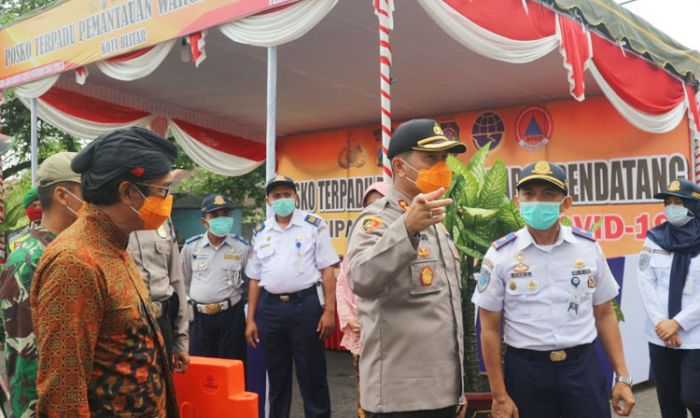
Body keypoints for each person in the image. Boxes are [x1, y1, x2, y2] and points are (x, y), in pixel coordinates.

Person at [30, 127, 179, 417]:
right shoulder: (75, 263)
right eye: (162, 191)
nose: (167, 200)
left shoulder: (115, 247)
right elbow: (64, 396)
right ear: (127, 192)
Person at [473, 160, 636, 418]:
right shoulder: (501, 254)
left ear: (565, 203)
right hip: (527, 373)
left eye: (548, 194)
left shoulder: (588, 248)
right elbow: (489, 328)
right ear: (517, 201)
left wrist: (623, 377)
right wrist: (499, 395)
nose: (537, 201)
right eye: (529, 194)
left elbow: (605, 314)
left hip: (582, 368)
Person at [347, 118, 467, 418]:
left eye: (444, 158)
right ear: (399, 167)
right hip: (401, 400)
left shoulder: (436, 221)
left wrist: (459, 390)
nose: (441, 166)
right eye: (430, 158)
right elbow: (360, 278)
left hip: (442, 393)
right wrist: (406, 229)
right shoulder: (379, 220)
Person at [245, 175, 338, 418]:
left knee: (312, 375)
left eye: (287, 194)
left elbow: (328, 269)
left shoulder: (313, 224)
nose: (282, 199)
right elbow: (254, 278)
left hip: (305, 305)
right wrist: (251, 320)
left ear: (296, 197)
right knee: (277, 378)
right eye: (276, 196)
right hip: (270, 309)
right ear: (268, 200)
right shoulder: (261, 231)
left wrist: (329, 311)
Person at [0, 152, 83, 418]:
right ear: (62, 196)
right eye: (87, 191)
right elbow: (27, 354)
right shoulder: (31, 259)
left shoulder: (67, 250)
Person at [638, 178, 700, 417]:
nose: (671, 208)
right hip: (660, 335)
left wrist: (678, 322)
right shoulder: (655, 237)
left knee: (693, 397)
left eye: (679, 202)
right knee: (669, 402)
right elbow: (646, 282)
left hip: (695, 337)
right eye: (668, 202)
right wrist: (662, 323)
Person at [337, 181, 388, 418]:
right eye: (369, 205)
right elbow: (342, 285)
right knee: (366, 389)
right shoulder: (356, 246)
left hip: (394, 335)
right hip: (361, 331)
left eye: (380, 203)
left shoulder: (405, 240)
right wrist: (349, 318)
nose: (374, 209)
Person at [181, 194, 249, 362]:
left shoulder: (243, 248)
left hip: (232, 317)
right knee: (201, 367)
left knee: (232, 367)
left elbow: (250, 284)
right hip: (199, 318)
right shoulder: (191, 247)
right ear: (204, 221)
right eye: (215, 215)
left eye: (226, 214)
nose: (222, 219)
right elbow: (182, 281)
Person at [128, 217, 190, 372]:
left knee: (165, 390)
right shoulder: (112, 212)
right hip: (128, 324)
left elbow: (176, 279)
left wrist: (181, 341)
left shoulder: (162, 217)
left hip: (163, 321)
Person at [9, 187, 42, 252]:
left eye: (42, 205)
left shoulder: (59, 232)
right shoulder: (15, 239)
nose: (38, 209)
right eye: (34, 206)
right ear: (26, 210)